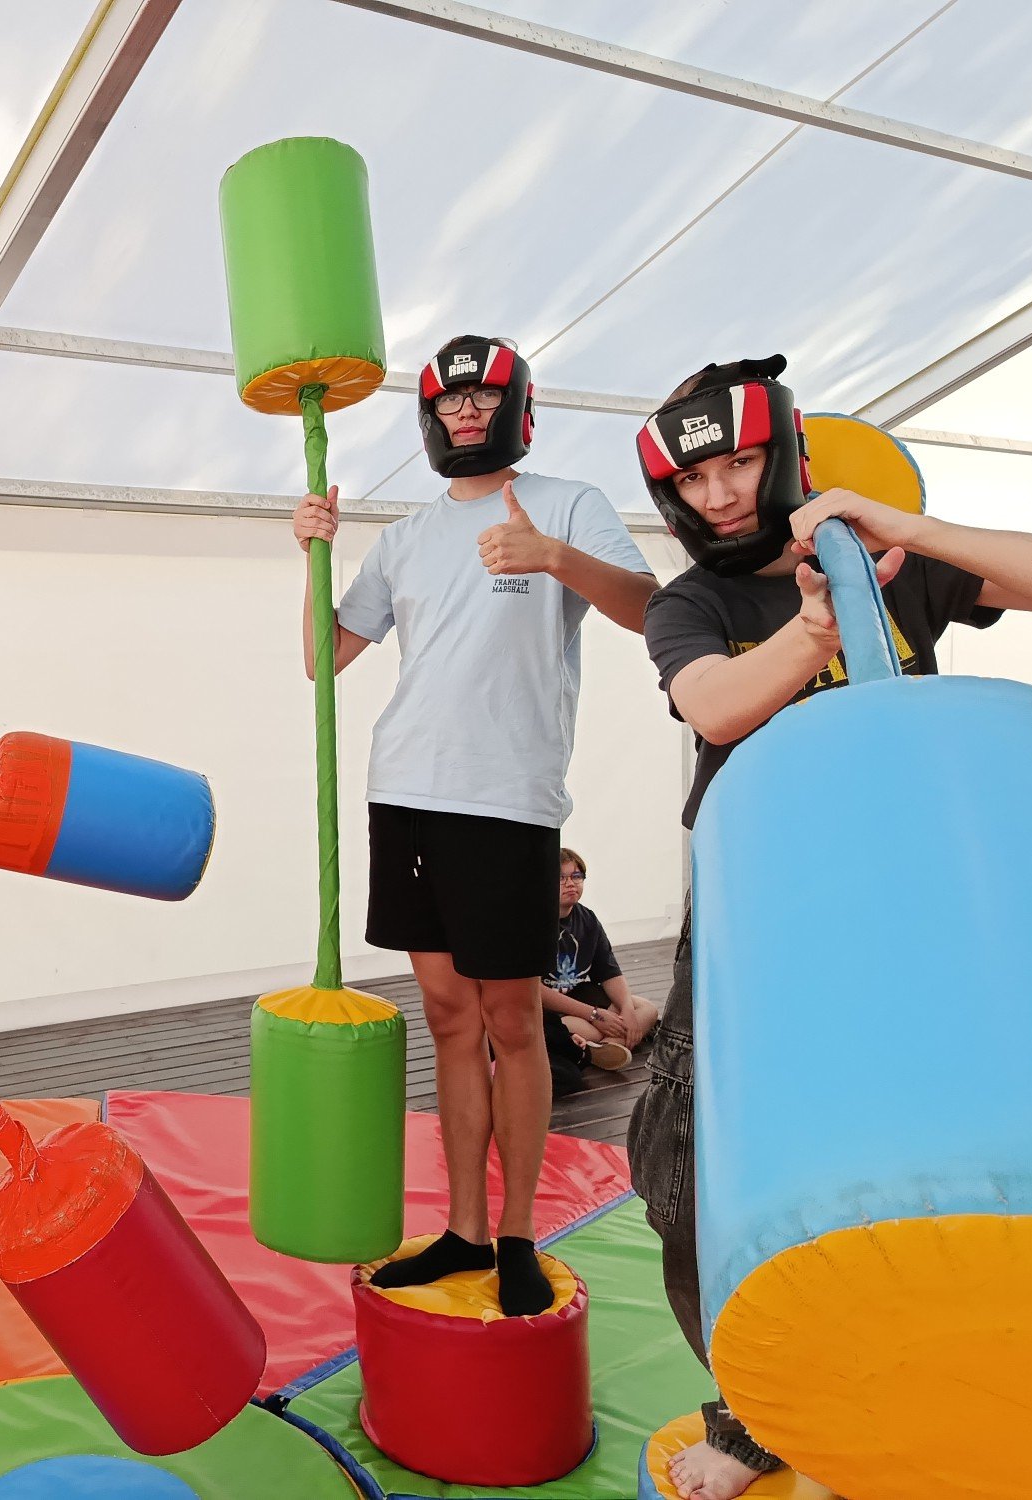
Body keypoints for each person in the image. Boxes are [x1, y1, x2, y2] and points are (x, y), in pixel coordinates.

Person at [628, 353, 1032, 1500]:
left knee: (936, 1122)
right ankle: (751, 1416)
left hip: (909, 891)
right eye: (691, 483)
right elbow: (712, 705)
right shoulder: (693, 605)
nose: (717, 495)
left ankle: (959, 1361)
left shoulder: (891, 565)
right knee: (681, 1153)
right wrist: (813, 628)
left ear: (781, 452)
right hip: (758, 914)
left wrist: (902, 531)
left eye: (737, 464)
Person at [293, 333, 659, 1316]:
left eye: (481, 397)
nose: (463, 411)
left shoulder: (566, 504)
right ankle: (462, 1230)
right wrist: (313, 554)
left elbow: (646, 610)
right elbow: (323, 658)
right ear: (429, 417)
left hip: (506, 799)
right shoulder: (405, 537)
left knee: (511, 1022)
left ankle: (517, 1236)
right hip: (406, 789)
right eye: (447, 401)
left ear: (515, 407)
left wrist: (551, 556)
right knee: (450, 1020)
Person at [539, 846, 659, 1094]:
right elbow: (535, 991)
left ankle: (605, 1047)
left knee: (646, 1009)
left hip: (580, 995)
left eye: (576, 876)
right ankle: (605, 1043)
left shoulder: (588, 919)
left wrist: (626, 1011)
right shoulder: (533, 924)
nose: (570, 883)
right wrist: (594, 1015)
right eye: (561, 877)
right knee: (579, 1027)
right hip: (549, 1011)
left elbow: (609, 973)